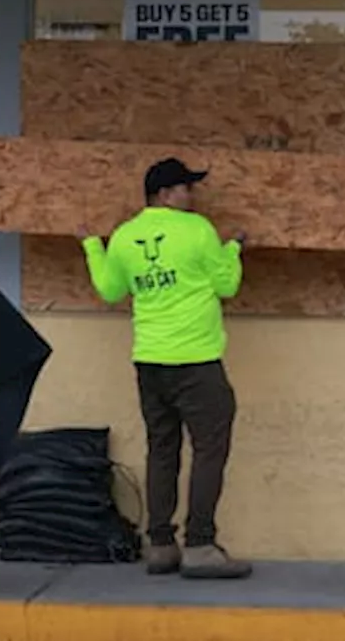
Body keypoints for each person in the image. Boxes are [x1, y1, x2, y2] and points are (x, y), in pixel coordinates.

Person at [77, 157, 251, 579]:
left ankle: (160, 545)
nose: (191, 196)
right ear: (165, 193)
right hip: (196, 362)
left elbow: (110, 289)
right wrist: (234, 248)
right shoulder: (197, 231)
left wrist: (92, 247)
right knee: (210, 448)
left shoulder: (124, 237)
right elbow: (227, 284)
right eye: (186, 188)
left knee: (163, 449)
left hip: (150, 363)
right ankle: (200, 545)